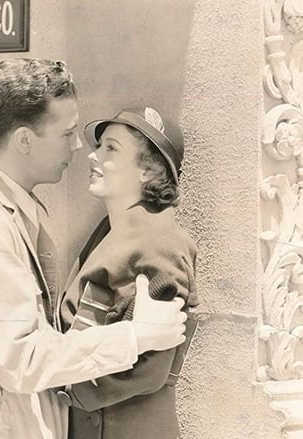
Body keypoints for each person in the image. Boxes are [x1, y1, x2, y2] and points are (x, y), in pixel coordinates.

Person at [0, 58, 188, 439]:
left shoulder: (9, 214)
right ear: (25, 141)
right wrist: (136, 336)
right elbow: (23, 359)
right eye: (66, 133)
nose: (79, 146)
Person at [57, 107, 198, 439]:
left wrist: (65, 388)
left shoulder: (159, 241)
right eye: (99, 145)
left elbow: (152, 365)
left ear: (147, 172)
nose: (93, 156)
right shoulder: (110, 232)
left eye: (111, 148)